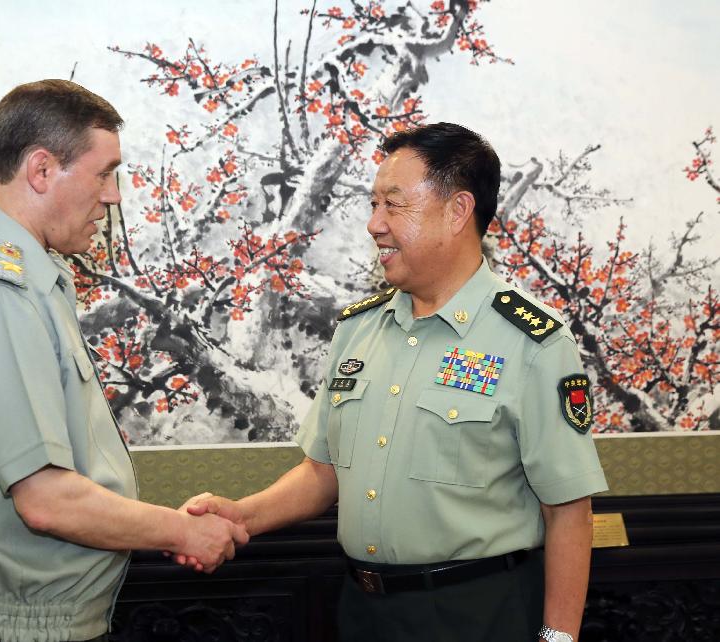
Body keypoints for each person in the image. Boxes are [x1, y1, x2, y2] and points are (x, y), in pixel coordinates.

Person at [183, 123, 607, 642]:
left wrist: (559, 639)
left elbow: (568, 509)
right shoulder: (359, 331)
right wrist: (240, 515)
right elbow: (324, 472)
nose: (373, 224)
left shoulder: (533, 342)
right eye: (373, 204)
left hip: (478, 614)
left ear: (457, 211)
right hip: (363, 611)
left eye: (393, 204)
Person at [0, 79, 248, 642]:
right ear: (41, 171)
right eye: (104, 173)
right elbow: (47, 500)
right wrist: (182, 533)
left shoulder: (18, 276)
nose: (112, 196)